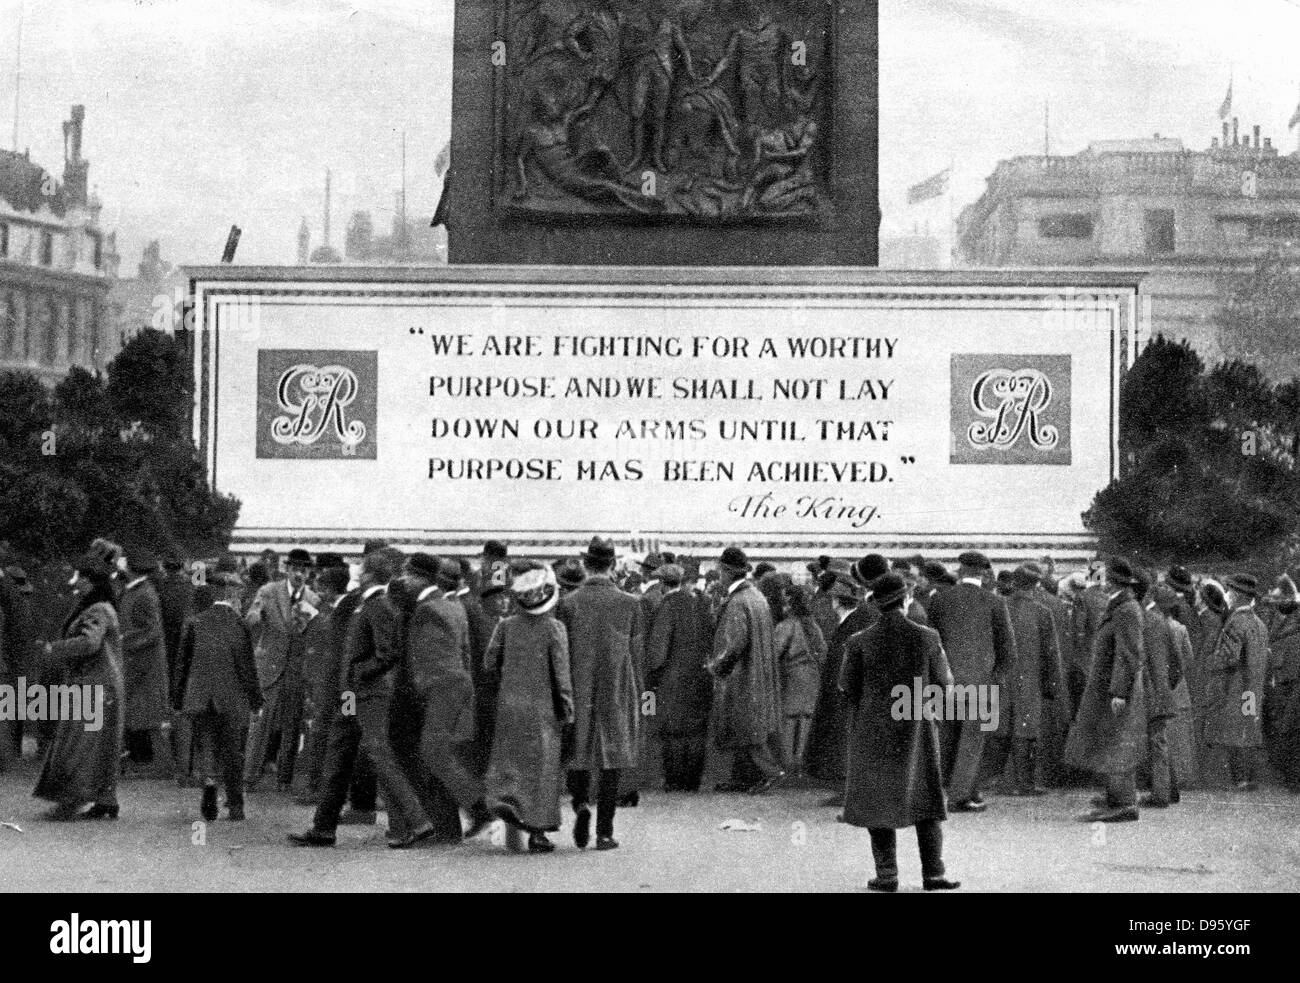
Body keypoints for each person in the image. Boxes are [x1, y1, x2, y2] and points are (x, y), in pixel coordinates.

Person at [289, 547, 441, 849]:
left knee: (379, 754)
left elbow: (389, 653)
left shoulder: (377, 605)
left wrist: (360, 673)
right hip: (354, 694)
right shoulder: (368, 604)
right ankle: (323, 827)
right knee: (340, 752)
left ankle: (419, 821)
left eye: (361, 571)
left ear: (369, 575)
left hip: (368, 693)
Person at [839, 573, 960, 891]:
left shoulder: (858, 641)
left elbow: (847, 687)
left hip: (873, 732)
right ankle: (933, 874)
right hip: (916, 727)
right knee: (927, 800)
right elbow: (945, 684)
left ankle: (887, 874)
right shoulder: (928, 637)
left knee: (878, 802)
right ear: (906, 600)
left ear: (876, 605)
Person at [556, 537, 644, 850]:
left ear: (585, 564)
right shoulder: (630, 603)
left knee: (577, 751)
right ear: (613, 565)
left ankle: (580, 804)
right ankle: (605, 832)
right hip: (617, 687)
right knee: (612, 759)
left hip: (579, 686)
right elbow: (636, 652)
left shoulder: (568, 603)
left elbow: (562, 651)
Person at [401, 553, 494, 839]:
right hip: (459, 687)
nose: (404, 582)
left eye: (408, 577)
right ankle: (474, 809)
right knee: (443, 752)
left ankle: (480, 806)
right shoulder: (454, 606)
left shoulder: (426, 610)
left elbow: (426, 660)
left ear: (419, 578)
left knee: (433, 751)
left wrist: (420, 691)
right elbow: (463, 653)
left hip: (443, 689)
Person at [485, 566, 575, 853]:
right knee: (542, 770)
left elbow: (489, 663)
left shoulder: (505, 625)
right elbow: (561, 676)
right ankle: (538, 833)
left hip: (509, 705)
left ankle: (505, 801)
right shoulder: (554, 628)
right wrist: (568, 710)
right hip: (542, 708)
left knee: (509, 760)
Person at [33, 542, 125, 820]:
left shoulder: (97, 610)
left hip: (94, 684)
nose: (77, 584)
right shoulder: (101, 606)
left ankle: (72, 798)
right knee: (99, 744)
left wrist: (54, 649)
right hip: (100, 683)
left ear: (92, 581)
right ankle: (105, 800)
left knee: (81, 743)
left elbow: (90, 643)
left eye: (81, 579)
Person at [926, 551, 1016, 812]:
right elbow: (1008, 650)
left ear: (960, 570)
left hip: (946, 683)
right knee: (973, 741)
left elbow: (932, 644)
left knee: (949, 738)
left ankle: (965, 790)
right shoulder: (995, 602)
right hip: (980, 684)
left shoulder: (940, 600)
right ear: (984, 573)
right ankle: (959, 797)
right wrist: (995, 681)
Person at [174, 561, 262, 821]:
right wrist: (256, 699)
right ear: (233, 594)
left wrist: (179, 699)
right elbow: (246, 666)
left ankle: (209, 785)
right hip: (231, 697)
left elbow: (183, 663)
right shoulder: (238, 625)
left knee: (206, 745)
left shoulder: (196, 623)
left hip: (199, 695)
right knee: (233, 751)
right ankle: (236, 805)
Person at [1064, 557, 1148, 823]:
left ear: (1114, 582)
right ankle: (1117, 797)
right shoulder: (1121, 606)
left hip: (1115, 689)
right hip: (1110, 687)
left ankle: (1123, 803)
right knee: (1112, 741)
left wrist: (1120, 692)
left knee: (1117, 742)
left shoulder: (1126, 609)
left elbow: (1129, 655)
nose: (1100, 583)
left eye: (1104, 579)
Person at [805, 555, 887, 797]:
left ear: (838, 602)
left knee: (847, 740)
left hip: (852, 691)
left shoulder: (855, 622)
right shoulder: (859, 618)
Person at [706, 546, 784, 795]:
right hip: (757, 673)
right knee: (748, 726)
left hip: (741, 676)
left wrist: (716, 668)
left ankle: (771, 772)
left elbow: (734, 645)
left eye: (720, 570)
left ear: (727, 572)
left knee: (744, 727)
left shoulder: (737, 601)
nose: (719, 575)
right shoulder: (757, 597)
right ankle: (742, 779)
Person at [244, 548, 319, 791]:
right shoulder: (268, 591)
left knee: (291, 725)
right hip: (269, 666)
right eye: (295, 569)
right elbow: (251, 617)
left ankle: (284, 779)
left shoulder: (313, 599)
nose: (299, 573)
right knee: (260, 723)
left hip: (296, 670)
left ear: (308, 572)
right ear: (287, 570)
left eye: (304, 569)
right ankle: (249, 776)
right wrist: (257, 615)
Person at [984, 565, 1060, 796]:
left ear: (1014, 583)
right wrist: (1052, 685)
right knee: (1026, 732)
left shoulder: (998, 607)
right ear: (1036, 585)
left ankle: (995, 780)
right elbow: (1051, 653)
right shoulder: (1042, 612)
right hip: (1030, 680)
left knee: (999, 729)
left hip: (1000, 677)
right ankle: (1025, 783)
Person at [645, 563, 714, 792]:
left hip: (673, 677)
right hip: (700, 675)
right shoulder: (698, 603)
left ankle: (674, 780)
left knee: (673, 729)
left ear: (663, 584)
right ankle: (692, 780)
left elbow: (658, 650)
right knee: (696, 729)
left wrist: (651, 673)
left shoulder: (667, 606)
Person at [1204, 574, 1269, 791]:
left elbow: (1228, 656)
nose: (1228, 596)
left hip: (1237, 687)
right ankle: (1247, 777)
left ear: (1238, 595)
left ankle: (1239, 779)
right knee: (1249, 726)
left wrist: (1210, 662)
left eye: (1230, 592)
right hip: (1253, 689)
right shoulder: (1259, 623)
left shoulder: (1236, 622)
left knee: (1236, 730)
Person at [119, 548, 175, 777]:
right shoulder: (139, 591)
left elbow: (152, 631)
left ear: (132, 571)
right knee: (140, 715)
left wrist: (124, 641)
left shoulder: (143, 594)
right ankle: (145, 761)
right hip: (139, 662)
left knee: (145, 716)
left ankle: (155, 765)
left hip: (144, 663)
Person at [1137, 573, 1181, 808]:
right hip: (1161, 691)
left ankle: (1160, 794)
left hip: (1151, 691)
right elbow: (1177, 662)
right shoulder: (1162, 621)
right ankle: (1170, 789)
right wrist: (1167, 686)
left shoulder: (1147, 619)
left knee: (1156, 743)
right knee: (1160, 740)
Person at [775, 577, 825, 775]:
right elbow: (822, 651)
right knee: (806, 720)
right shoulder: (813, 625)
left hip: (793, 676)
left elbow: (775, 652)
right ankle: (801, 765)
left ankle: (787, 767)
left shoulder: (787, 625)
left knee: (789, 720)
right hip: (812, 676)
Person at [1264, 575, 1300, 790]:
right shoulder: (1282, 619)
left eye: (1279, 599)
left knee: (1291, 729)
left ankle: (1293, 777)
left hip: (1290, 682)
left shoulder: (1293, 621)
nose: (1275, 603)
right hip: (1282, 681)